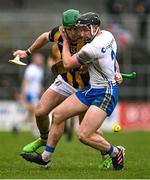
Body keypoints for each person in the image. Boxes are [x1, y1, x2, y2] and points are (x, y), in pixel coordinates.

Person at [21, 12, 125, 170]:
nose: (78, 33)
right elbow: (110, 56)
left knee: (85, 133)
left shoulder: (90, 45)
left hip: (97, 89)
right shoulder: (107, 35)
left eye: (81, 29)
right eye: (73, 30)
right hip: (79, 85)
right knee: (56, 114)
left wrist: (115, 70)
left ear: (93, 28)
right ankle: (46, 156)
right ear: (64, 28)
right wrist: (27, 52)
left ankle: (113, 152)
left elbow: (69, 63)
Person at [21, 53, 44, 136]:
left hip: (36, 94)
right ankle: (36, 130)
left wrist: (41, 91)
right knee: (35, 111)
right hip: (30, 93)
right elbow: (25, 81)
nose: (41, 60)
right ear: (34, 59)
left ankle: (16, 126)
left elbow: (38, 83)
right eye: (39, 58)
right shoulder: (31, 68)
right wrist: (24, 94)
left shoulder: (40, 70)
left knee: (30, 114)